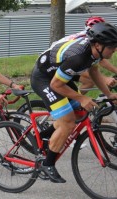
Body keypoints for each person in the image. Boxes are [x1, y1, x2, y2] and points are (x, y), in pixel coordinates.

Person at [31, 22, 117, 183]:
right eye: (112, 46)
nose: (115, 49)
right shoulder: (78, 57)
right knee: (68, 122)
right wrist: (82, 98)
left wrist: (109, 94)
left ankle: (42, 137)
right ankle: (47, 164)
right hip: (44, 78)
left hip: (58, 75)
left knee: (79, 112)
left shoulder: (94, 53)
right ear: (98, 45)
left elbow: (94, 71)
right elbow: (56, 85)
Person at [51, 16, 117, 94]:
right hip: (57, 62)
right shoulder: (87, 40)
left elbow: (97, 61)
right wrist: (105, 79)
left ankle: (77, 103)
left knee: (90, 81)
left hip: (67, 59)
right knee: (89, 81)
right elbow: (99, 61)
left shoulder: (91, 38)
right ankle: (78, 102)